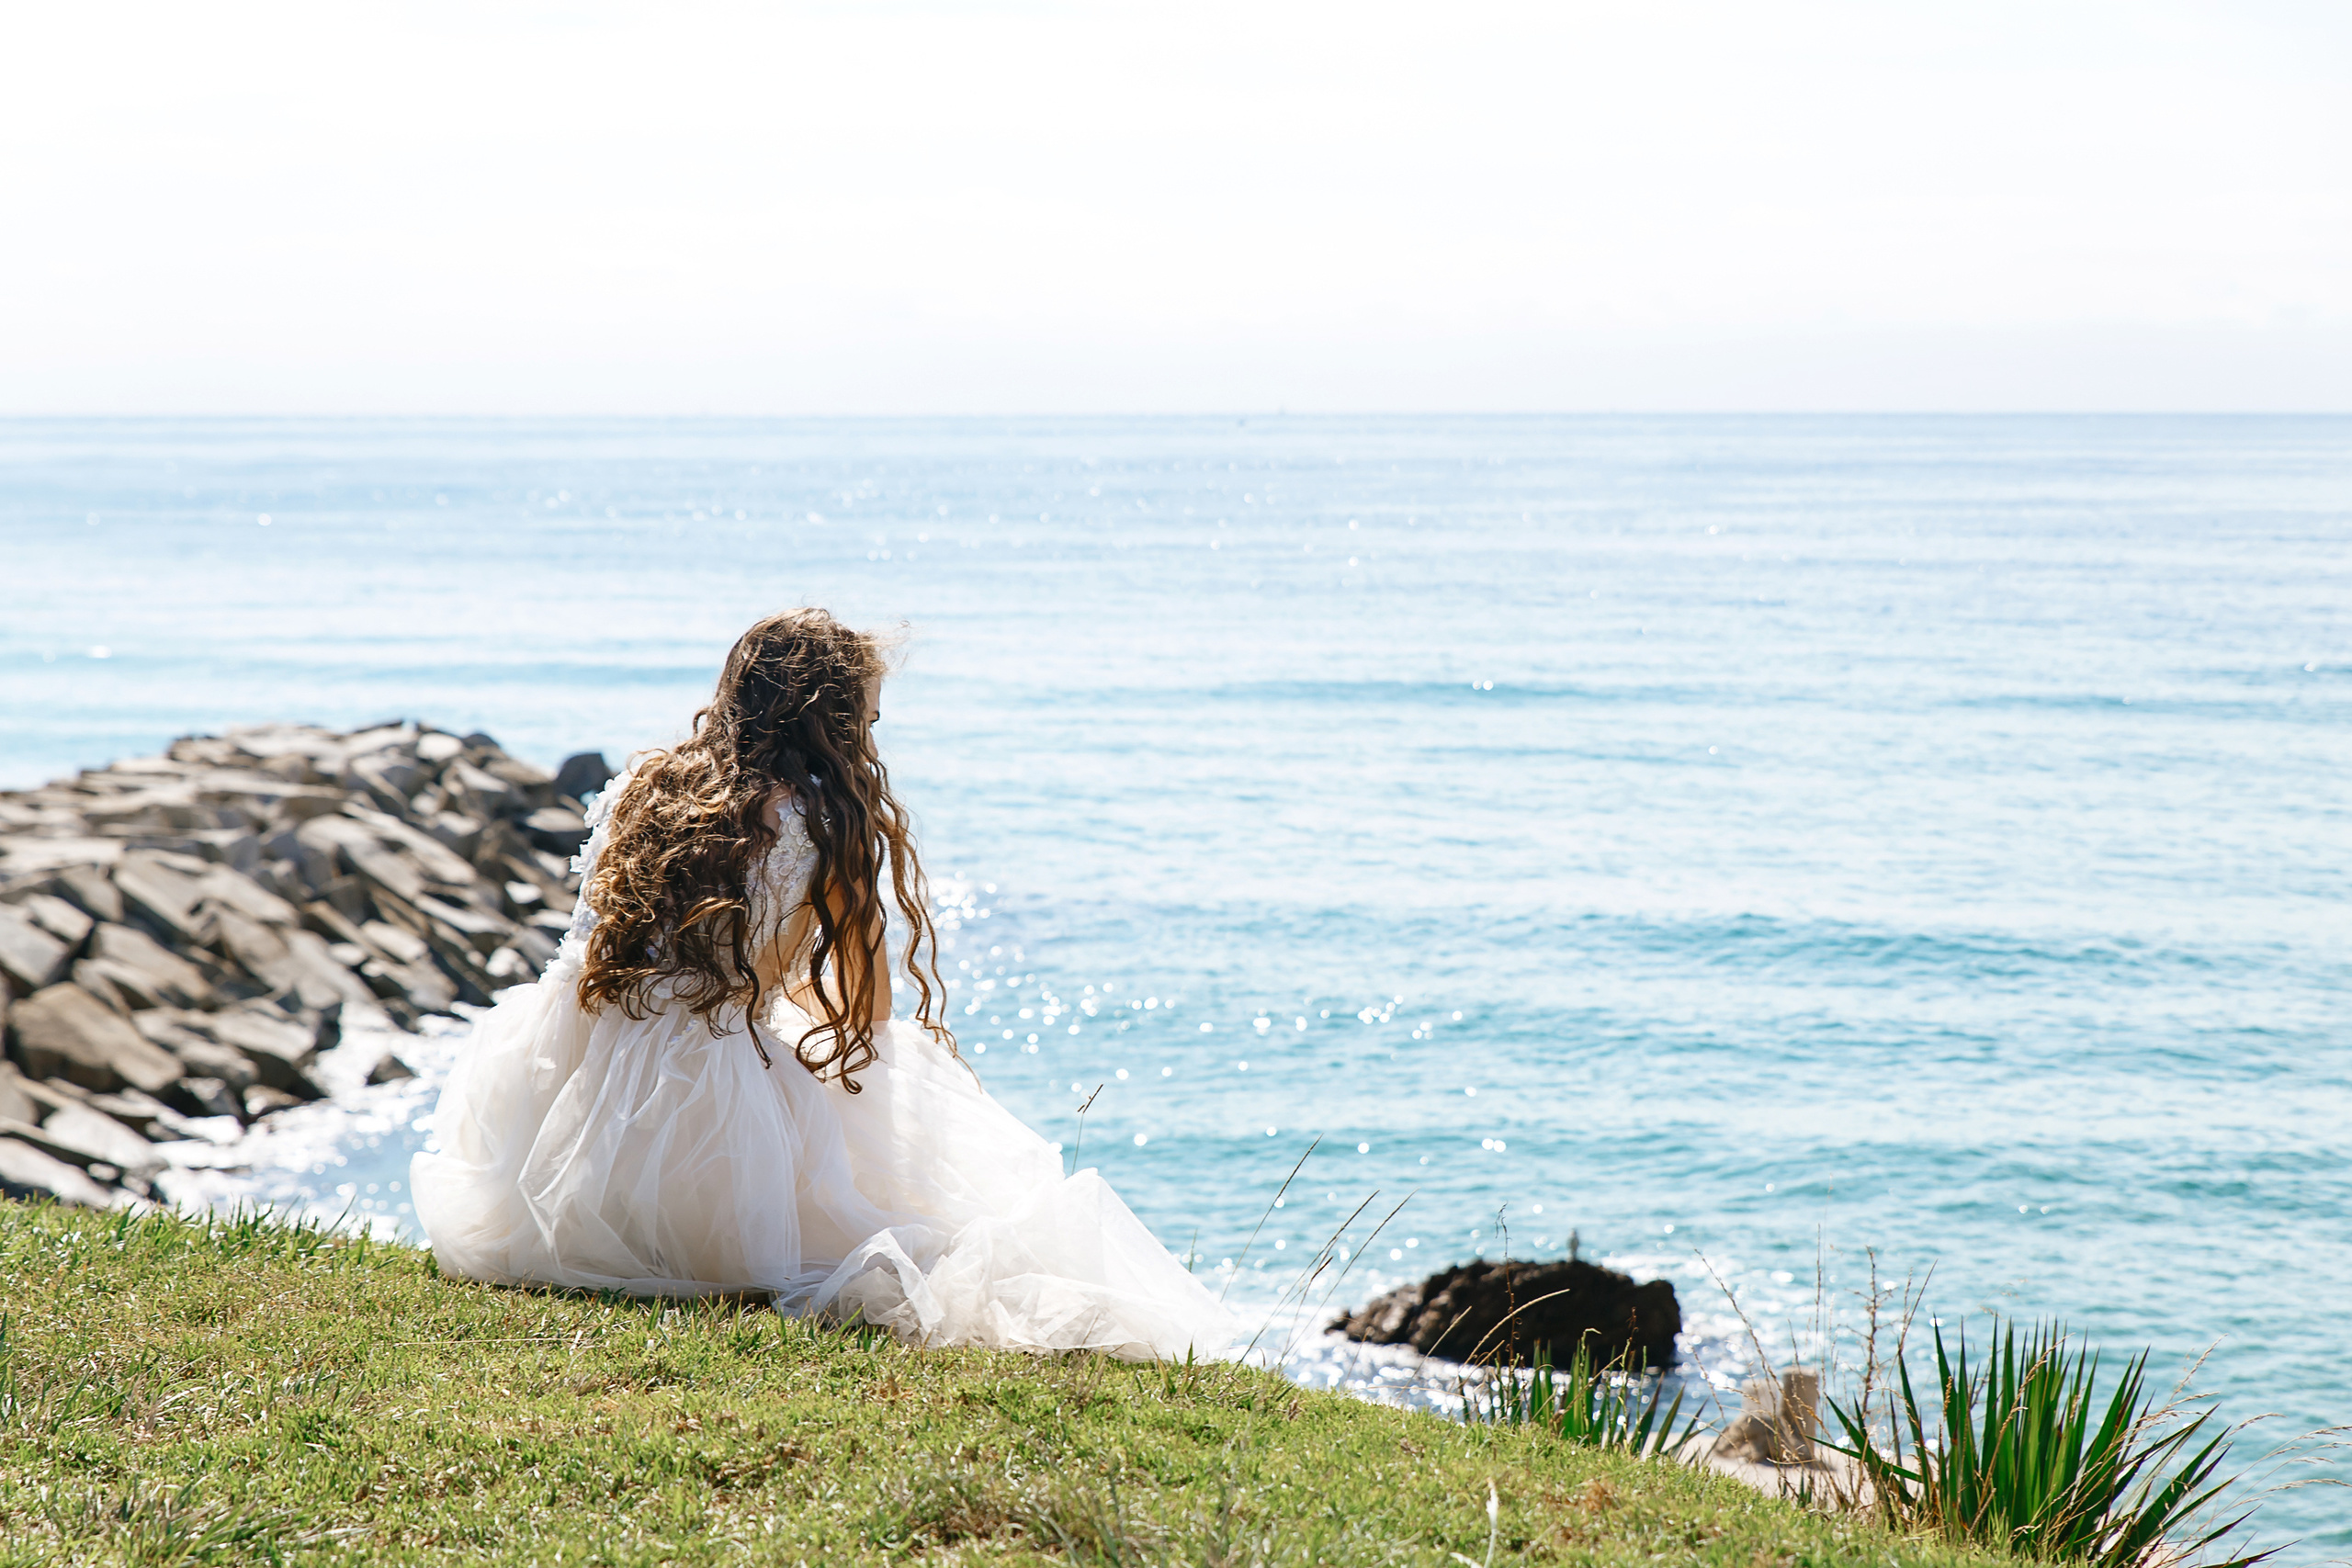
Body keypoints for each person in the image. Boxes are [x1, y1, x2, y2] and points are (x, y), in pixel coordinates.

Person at [412, 609, 1233, 1359]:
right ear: (829, 722)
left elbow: (609, 947)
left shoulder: (646, 788)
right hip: (701, 1106)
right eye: (866, 721)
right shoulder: (818, 818)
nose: (871, 739)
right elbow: (866, 1008)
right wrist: (793, 1012)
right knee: (887, 1078)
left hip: (566, 1084)